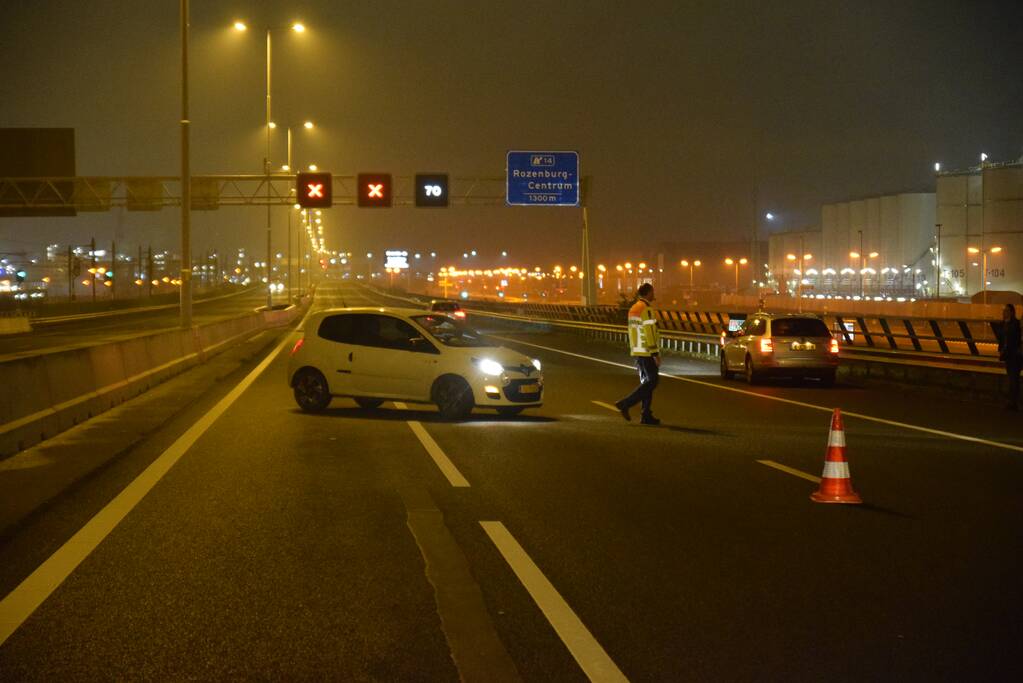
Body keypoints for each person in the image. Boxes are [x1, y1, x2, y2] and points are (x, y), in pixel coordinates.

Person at [615, 283, 662, 425]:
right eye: (653, 292)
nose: (654, 294)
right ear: (648, 293)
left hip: (637, 350)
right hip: (647, 351)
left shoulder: (633, 308)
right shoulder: (646, 309)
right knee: (652, 381)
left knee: (647, 383)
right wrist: (655, 353)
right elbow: (649, 332)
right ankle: (625, 403)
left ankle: (646, 414)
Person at [998, 303, 1021, 410]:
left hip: (1014, 355)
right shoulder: (1004, 323)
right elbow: (1002, 338)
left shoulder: (1016, 324)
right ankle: (1012, 402)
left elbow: (1015, 339)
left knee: (1013, 378)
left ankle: (1013, 402)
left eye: (1006, 310)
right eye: (1004, 310)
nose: (1004, 312)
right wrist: (1001, 349)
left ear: (1012, 312)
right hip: (1008, 355)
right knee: (1012, 378)